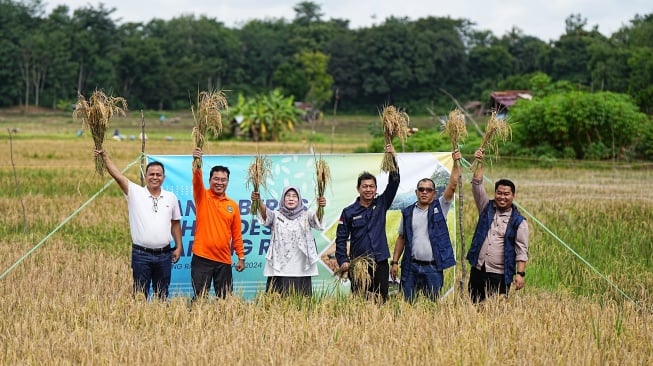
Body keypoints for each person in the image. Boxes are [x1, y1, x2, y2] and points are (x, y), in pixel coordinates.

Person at [93, 149, 183, 300]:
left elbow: (175, 224)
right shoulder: (135, 192)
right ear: (145, 176)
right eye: (151, 174)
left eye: (158, 174)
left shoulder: (171, 197)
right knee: (140, 296)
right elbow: (117, 176)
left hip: (164, 255)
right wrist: (104, 157)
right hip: (141, 255)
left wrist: (179, 246)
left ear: (164, 177)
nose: (155, 177)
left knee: (162, 295)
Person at [390, 149, 462, 302]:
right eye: (421, 189)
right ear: (416, 192)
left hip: (433, 268)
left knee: (432, 307)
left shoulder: (440, 207)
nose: (424, 192)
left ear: (434, 193)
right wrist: (395, 262)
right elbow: (401, 238)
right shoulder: (408, 212)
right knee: (408, 305)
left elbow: (453, 185)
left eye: (428, 190)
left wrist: (456, 162)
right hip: (411, 267)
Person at [335, 143, 400, 302]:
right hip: (359, 265)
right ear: (358, 189)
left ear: (376, 188)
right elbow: (341, 239)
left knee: (381, 301)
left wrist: (392, 158)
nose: (368, 189)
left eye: (372, 186)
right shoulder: (348, 211)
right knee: (360, 302)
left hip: (380, 263)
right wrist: (343, 260)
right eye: (365, 186)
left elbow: (394, 183)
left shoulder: (382, 203)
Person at [466, 148, 529, 303]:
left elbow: (522, 250)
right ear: (495, 193)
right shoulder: (485, 208)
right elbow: (477, 185)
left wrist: (520, 274)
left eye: (506, 194)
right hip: (478, 269)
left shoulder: (519, 222)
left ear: (513, 196)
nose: (502, 197)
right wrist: (479, 162)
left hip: (499, 274)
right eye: (499, 193)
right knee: (475, 307)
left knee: (495, 314)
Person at [251, 186, 326, 297]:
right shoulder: (276, 215)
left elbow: (318, 221)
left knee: (302, 305)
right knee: (276, 303)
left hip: (301, 268)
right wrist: (258, 200)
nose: (291, 199)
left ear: (299, 199)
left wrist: (321, 206)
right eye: (288, 196)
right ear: (283, 198)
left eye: (295, 196)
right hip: (279, 267)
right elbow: (265, 214)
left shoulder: (307, 215)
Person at [191, 148, 245, 299]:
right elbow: (196, 179)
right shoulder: (202, 196)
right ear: (209, 181)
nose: (219, 182)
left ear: (227, 182)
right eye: (216, 179)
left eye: (223, 180)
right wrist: (196, 163)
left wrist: (241, 256)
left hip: (224, 260)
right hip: (202, 258)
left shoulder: (232, 205)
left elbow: (236, 234)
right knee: (199, 299)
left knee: (225, 300)